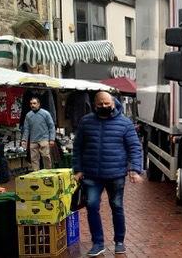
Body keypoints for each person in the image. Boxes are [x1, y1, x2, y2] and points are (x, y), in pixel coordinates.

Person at [72, 92, 143, 256]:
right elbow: (78, 148)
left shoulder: (124, 123)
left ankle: (119, 241)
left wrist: (134, 169)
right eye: (99, 104)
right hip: (91, 174)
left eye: (106, 103)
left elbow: (134, 147)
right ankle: (98, 242)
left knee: (117, 207)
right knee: (91, 206)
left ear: (113, 102)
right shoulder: (86, 122)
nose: (103, 107)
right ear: (94, 104)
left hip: (116, 174)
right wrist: (78, 169)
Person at [21, 97, 55, 171]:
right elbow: (26, 129)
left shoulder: (45, 113)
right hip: (33, 140)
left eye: (34, 103)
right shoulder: (28, 115)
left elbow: (51, 126)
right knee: (34, 159)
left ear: (38, 104)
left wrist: (52, 139)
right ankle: (36, 174)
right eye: (31, 104)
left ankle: (48, 172)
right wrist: (24, 140)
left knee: (46, 156)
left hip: (44, 138)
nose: (32, 105)